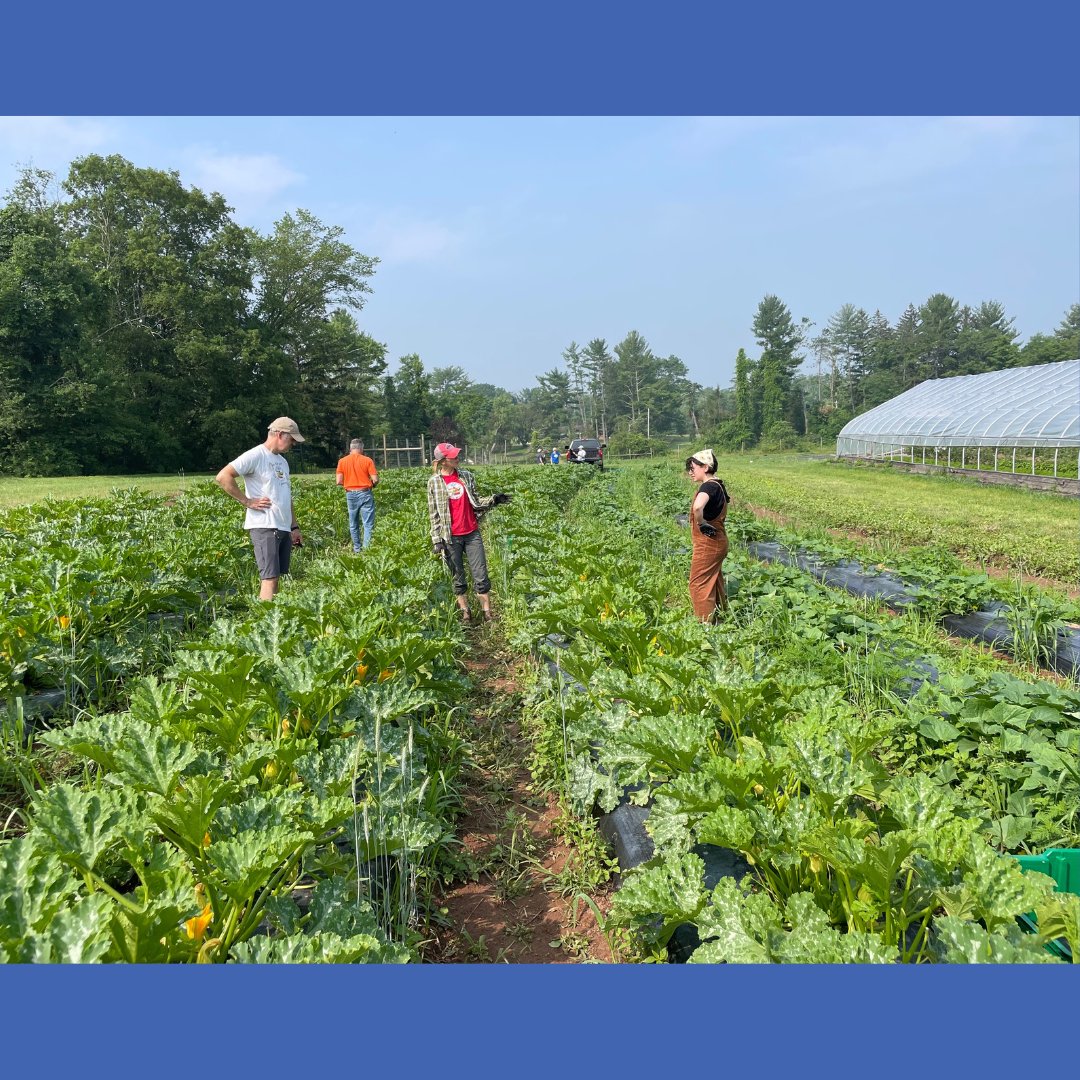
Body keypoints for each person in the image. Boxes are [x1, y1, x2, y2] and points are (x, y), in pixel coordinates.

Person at [215, 417, 305, 601]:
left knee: (276, 576)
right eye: (292, 439)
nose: (293, 444)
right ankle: (264, 620)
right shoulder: (256, 455)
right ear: (279, 435)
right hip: (265, 525)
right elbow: (223, 476)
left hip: (282, 526)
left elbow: (286, 495)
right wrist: (247, 501)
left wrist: (294, 526)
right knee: (269, 577)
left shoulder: (283, 462)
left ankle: (273, 617)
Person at [427, 442, 511, 623]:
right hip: (450, 536)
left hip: (472, 532)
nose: (457, 457)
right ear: (443, 460)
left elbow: (476, 502)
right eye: (453, 456)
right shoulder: (434, 482)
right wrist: (436, 540)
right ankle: (466, 612)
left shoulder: (466, 476)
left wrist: (494, 500)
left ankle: (487, 613)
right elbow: (433, 513)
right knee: (458, 576)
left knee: (480, 574)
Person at [685, 448, 730, 622]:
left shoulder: (708, 486)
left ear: (705, 467)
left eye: (693, 467)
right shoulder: (718, 484)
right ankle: (720, 617)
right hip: (718, 541)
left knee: (699, 583)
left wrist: (701, 523)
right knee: (714, 580)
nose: (690, 472)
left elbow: (698, 507)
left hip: (708, 543)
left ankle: (705, 626)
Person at [336, 438, 379, 552]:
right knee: (368, 524)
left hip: (350, 494)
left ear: (351, 448)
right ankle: (367, 548)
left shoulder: (342, 461)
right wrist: (372, 484)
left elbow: (339, 481)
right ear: (361, 448)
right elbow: (375, 479)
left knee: (353, 523)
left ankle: (357, 549)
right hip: (365, 492)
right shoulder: (367, 460)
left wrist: (350, 483)